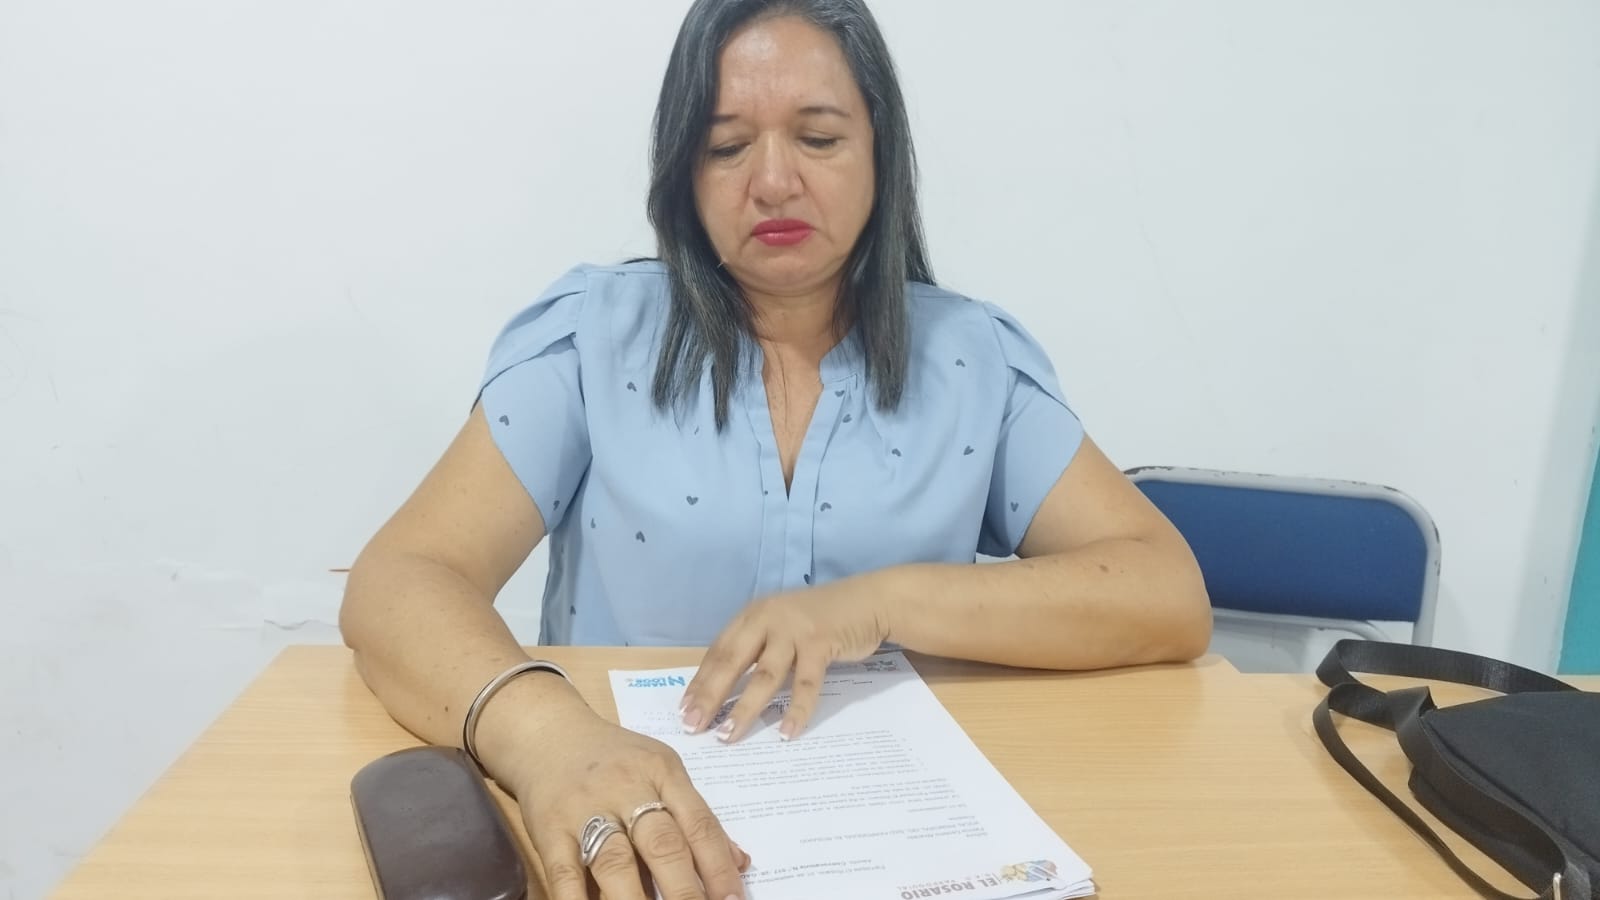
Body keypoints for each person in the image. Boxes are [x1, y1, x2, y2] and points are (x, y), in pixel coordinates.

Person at [339, 1, 1211, 898]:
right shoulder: (593, 338)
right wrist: (545, 738)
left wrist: (877, 604)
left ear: (881, 151)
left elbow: (1165, 592)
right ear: (682, 171)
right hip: (626, 827)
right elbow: (400, 578)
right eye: (726, 147)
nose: (773, 182)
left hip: (904, 837)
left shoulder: (971, 357)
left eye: (819, 138)